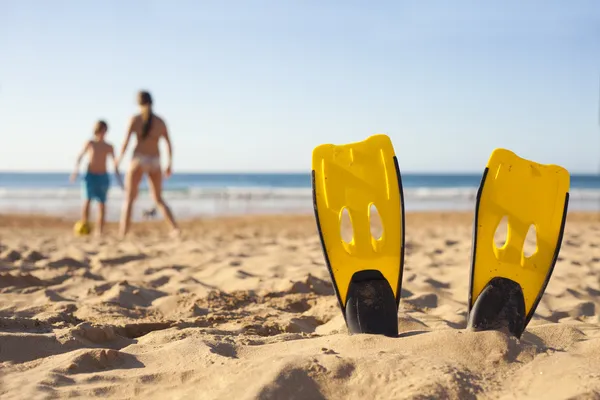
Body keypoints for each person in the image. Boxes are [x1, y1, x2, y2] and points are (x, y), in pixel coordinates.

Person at [116, 90, 179, 237]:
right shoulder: (160, 121)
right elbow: (169, 144)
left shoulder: (135, 119)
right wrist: (169, 163)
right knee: (158, 198)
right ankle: (174, 228)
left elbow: (125, 142)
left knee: (129, 199)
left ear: (138, 103)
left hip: (139, 159)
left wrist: (119, 159)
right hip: (155, 161)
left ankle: (123, 232)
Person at [70, 120, 123, 235]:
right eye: (101, 130)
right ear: (97, 130)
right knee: (87, 201)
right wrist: (75, 172)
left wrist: (120, 182)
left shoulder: (109, 146)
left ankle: (100, 230)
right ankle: (85, 225)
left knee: (102, 204)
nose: (103, 133)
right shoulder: (90, 143)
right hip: (90, 176)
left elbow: (115, 165)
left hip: (103, 177)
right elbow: (80, 157)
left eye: (105, 130)